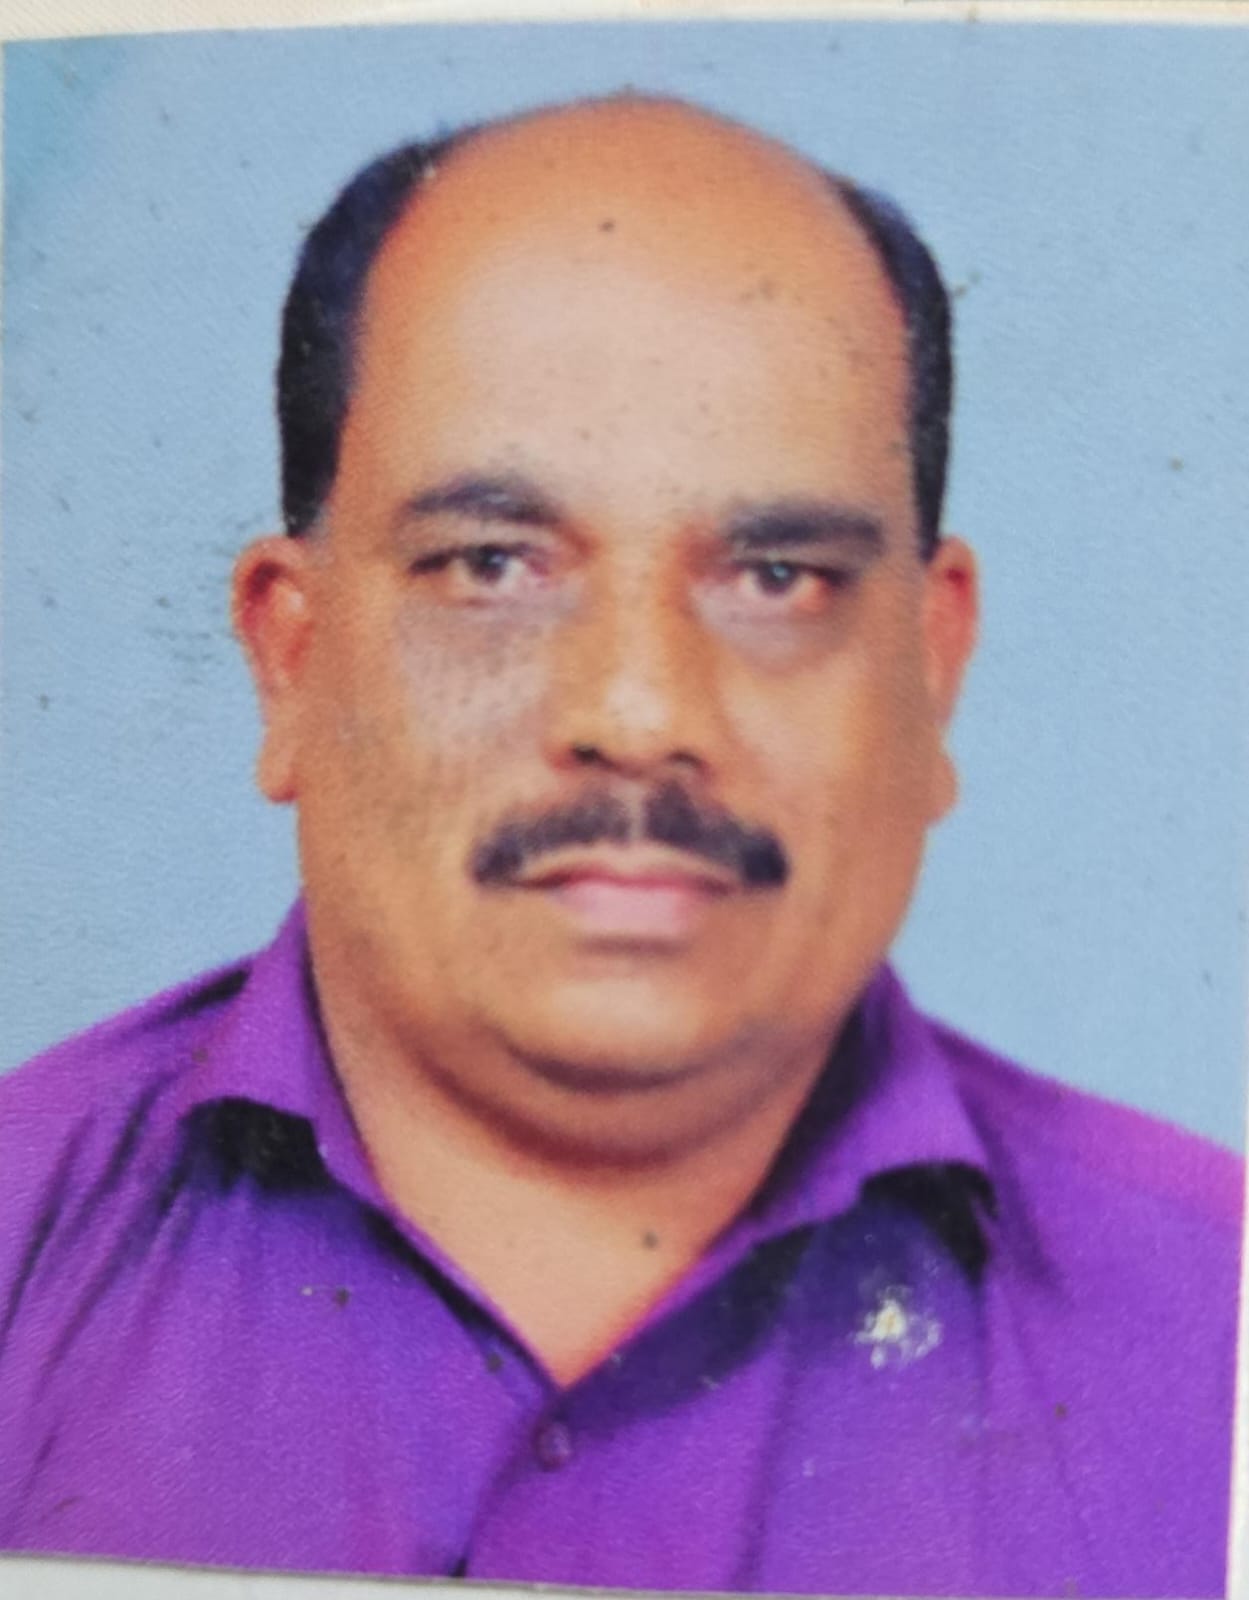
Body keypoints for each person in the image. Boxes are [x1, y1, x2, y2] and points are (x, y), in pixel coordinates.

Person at [0, 94, 1240, 1597]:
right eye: (492, 566)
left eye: (776, 577)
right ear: (289, 657)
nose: (641, 713)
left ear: (932, 666)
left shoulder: (1215, 1319)